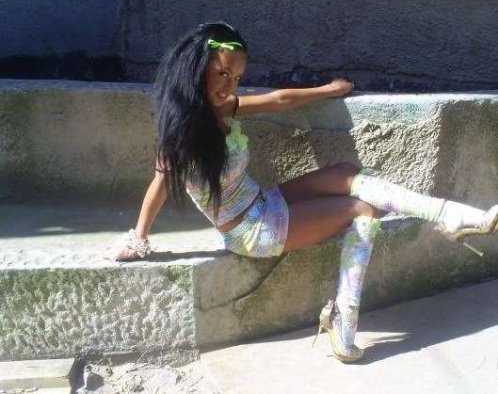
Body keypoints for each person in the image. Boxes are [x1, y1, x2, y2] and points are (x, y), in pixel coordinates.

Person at [112, 21, 498, 363]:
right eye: (222, 73)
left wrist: (327, 90)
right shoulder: (183, 134)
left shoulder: (223, 108)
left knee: (345, 172)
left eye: (237, 78)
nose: (229, 86)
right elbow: (160, 184)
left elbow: (279, 100)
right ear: (198, 67)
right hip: (252, 231)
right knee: (362, 210)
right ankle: (344, 320)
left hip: (263, 203)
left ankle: (450, 217)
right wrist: (139, 239)